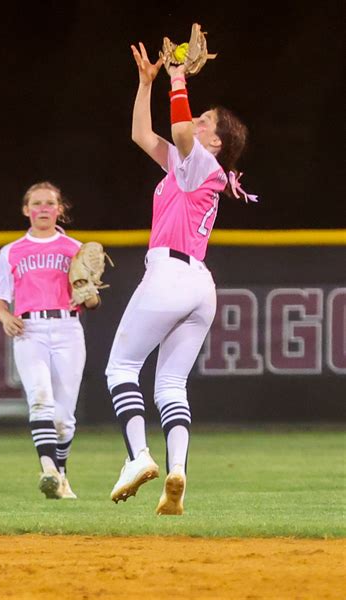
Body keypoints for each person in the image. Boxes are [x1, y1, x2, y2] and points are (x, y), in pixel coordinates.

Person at [106, 43, 257, 515]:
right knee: (171, 385)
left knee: (120, 369)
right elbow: (141, 134)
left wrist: (177, 77)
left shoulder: (203, 163)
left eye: (206, 122)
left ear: (216, 143)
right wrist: (147, 82)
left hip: (170, 273)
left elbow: (174, 127)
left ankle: (138, 458)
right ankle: (177, 478)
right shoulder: (189, 165)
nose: (197, 122)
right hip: (199, 286)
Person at [0, 181, 100, 500]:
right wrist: (5, 317)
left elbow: (91, 302)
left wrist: (90, 295)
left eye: (49, 203)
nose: (42, 209)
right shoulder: (11, 252)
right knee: (40, 400)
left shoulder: (74, 248)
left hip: (68, 329)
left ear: (59, 209)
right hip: (30, 331)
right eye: (36, 204)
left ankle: (60, 476)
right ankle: (49, 469)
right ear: (26, 210)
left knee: (64, 419)